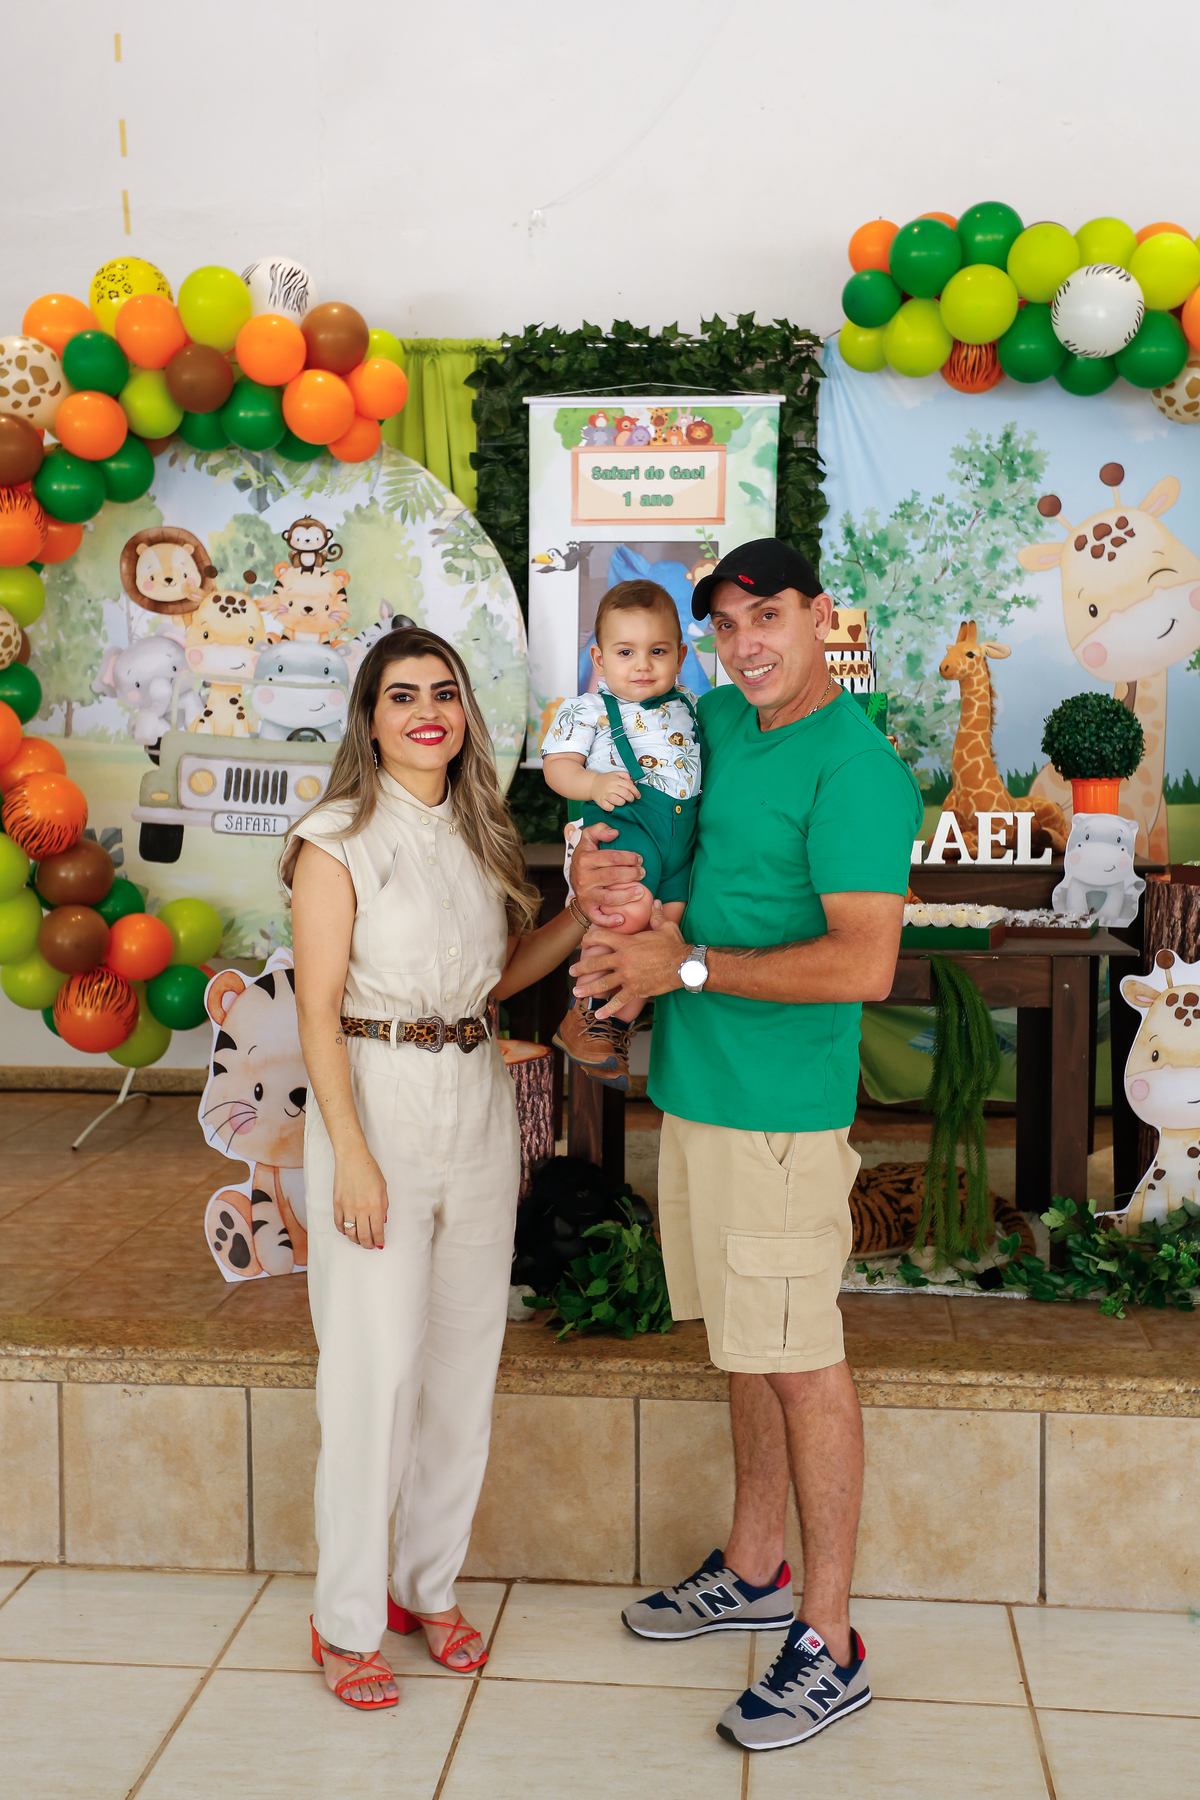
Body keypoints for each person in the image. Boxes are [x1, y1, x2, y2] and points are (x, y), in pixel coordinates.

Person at [568, 540, 923, 1754]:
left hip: (780, 1114)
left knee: (801, 1358)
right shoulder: (714, 718)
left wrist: (687, 967)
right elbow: (655, 824)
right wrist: (609, 868)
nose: (746, 644)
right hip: (699, 1089)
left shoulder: (857, 770)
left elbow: (864, 964)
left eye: (767, 616)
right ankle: (758, 1565)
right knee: (745, 1344)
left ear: (820, 617)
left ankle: (830, 1638)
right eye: (725, 625)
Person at [284, 625, 583, 1711]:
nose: (426, 711)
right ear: (369, 720)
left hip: (475, 1096)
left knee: (462, 1367)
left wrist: (584, 915)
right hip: (377, 1100)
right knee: (372, 1376)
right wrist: (351, 1155)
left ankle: (427, 1586)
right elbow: (317, 1010)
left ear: (464, 715)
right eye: (402, 695)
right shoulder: (335, 838)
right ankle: (346, 1621)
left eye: (444, 693)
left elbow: (493, 980)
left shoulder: (478, 829)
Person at [541, 579, 701, 1090]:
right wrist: (593, 783)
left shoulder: (689, 705)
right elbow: (557, 768)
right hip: (626, 825)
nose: (643, 665)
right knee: (624, 915)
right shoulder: (586, 709)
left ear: (680, 656)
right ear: (600, 658)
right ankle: (586, 1012)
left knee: (664, 933)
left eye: (658, 651)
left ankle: (612, 1028)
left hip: (679, 837)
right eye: (626, 652)